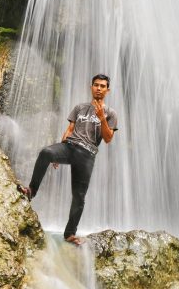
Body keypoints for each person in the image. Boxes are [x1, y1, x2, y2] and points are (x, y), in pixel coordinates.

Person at [18, 74, 118, 246]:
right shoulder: (79, 107)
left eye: (102, 86)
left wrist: (101, 117)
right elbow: (70, 129)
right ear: (91, 87)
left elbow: (108, 138)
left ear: (107, 90)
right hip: (70, 147)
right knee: (46, 152)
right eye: (96, 85)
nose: (99, 88)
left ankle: (70, 233)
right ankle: (31, 191)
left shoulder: (111, 113)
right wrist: (58, 152)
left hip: (87, 155)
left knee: (79, 196)